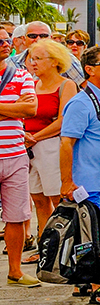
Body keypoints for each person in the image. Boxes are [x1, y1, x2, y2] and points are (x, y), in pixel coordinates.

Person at [57, 46, 100, 305]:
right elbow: (67, 144)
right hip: (87, 180)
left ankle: (83, 280)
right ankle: (98, 286)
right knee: (91, 233)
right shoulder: (81, 102)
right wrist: (67, 181)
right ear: (89, 69)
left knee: (96, 230)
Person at [22, 40, 76, 257]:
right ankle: (46, 251)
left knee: (58, 200)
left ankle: (65, 250)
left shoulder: (66, 85)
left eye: (38, 58)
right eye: (31, 59)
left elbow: (64, 120)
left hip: (51, 148)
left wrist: (35, 137)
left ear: (54, 61)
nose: (33, 63)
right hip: (29, 149)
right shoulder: (30, 84)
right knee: (38, 200)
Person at [0, 53, 39, 287]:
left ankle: (15, 271)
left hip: (15, 156)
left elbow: (31, 109)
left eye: (6, 40)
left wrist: (20, 108)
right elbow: (21, 108)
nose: (5, 45)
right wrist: (13, 108)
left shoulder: (22, 75)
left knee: (17, 216)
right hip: (13, 151)